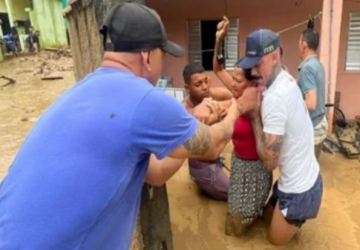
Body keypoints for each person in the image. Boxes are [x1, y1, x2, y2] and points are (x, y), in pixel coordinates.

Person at [0, 3, 258, 249]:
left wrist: (195, 122)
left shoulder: (80, 91)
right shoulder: (144, 99)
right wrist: (238, 104)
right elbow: (212, 145)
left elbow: (155, 173)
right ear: (147, 56)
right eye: (162, 55)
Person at [238, 29, 323, 245]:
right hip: (303, 176)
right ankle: (288, 220)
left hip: (299, 191)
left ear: (276, 57)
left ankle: (298, 218)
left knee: (273, 241)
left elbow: (268, 162)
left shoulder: (274, 99)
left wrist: (255, 116)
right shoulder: (285, 76)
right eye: (251, 65)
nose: (254, 71)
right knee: (266, 219)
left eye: (259, 64)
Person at [214, 17, 272, 236]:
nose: (232, 83)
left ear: (252, 82)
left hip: (255, 169)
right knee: (233, 220)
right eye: (234, 78)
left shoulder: (259, 100)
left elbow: (270, 146)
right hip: (238, 164)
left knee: (239, 227)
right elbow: (217, 68)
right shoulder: (239, 90)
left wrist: (254, 115)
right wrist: (220, 40)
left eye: (238, 79)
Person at [182, 63, 233, 201]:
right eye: (198, 84)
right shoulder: (185, 111)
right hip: (203, 168)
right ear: (187, 88)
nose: (205, 87)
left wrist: (221, 107)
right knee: (238, 196)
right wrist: (213, 117)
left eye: (206, 81)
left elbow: (234, 97)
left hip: (215, 158)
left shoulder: (210, 94)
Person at [298, 18, 327, 159]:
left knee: (307, 172)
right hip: (321, 122)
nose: (298, 45)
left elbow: (311, 103)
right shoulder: (318, 64)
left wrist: (290, 105)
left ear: (304, 45)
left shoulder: (307, 68)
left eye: (299, 42)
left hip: (313, 127)